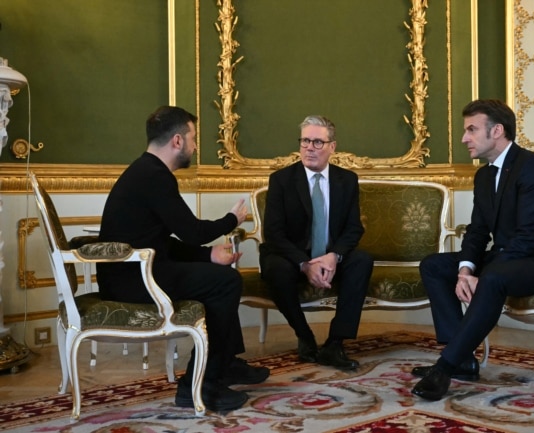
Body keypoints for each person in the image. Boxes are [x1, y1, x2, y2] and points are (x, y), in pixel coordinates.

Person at [96, 105, 269, 412]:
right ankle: (197, 385)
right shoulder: (154, 176)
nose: (195, 145)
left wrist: (209, 255)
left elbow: (159, 242)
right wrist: (232, 219)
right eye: (193, 137)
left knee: (220, 277)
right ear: (177, 141)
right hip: (136, 280)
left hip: (135, 272)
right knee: (226, 282)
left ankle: (224, 363)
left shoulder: (146, 171)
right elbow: (192, 231)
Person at [411, 99, 534, 401]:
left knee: (492, 278)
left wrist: (485, 272)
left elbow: (530, 236)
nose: (464, 138)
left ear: (497, 131)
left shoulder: (533, 166)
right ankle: (462, 358)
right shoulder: (483, 175)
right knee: (434, 265)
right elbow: (478, 231)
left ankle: (445, 367)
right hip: (512, 257)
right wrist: (465, 269)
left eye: (471, 130)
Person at [259, 115, 373, 371]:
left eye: (318, 142)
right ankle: (305, 336)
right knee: (275, 267)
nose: (310, 147)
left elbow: (354, 228)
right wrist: (304, 263)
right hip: (291, 256)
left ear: (332, 146)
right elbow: (274, 233)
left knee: (362, 260)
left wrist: (335, 256)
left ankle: (335, 343)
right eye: (305, 141)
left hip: (330, 256)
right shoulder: (282, 180)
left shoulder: (347, 180)